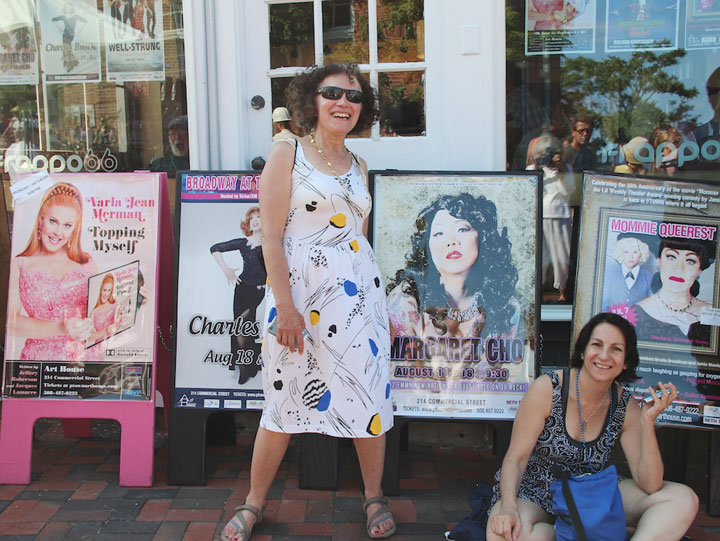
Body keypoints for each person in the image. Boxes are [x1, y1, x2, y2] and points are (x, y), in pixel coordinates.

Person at [220, 63, 395, 541]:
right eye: (332, 93)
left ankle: (373, 495)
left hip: (358, 300)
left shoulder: (358, 165)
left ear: (364, 109)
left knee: (367, 395)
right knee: (283, 398)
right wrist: (286, 307)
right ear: (312, 101)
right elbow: (271, 238)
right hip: (299, 300)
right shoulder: (288, 151)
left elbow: (357, 239)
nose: (343, 103)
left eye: (354, 97)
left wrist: (379, 308)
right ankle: (254, 501)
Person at [488, 312, 699, 541]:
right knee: (502, 532)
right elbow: (515, 459)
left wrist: (647, 423)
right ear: (582, 351)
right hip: (538, 490)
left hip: (594, 492)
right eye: (596, 345)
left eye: (616, 349)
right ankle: (584, 533)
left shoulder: (624, 405)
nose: (604, 356)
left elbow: (650, 484)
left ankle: (586, 532)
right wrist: (508, 507)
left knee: (683, 499)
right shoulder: (548, 389)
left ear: (626, 360)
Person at [386, 192, 521, 345]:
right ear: (427, 246)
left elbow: (498, 367)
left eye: (462, 229)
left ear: (483, 237)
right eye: (439, 233)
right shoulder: (407, 300)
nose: (451, 241)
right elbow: (395, 366)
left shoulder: (504, 304)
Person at [6, 182, 102, 362]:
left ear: (74, 229)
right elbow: (11, 323)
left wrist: (129, 303)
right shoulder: (20, 265)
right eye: (53, 221)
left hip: (86, 362)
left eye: (67, 225)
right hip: (39, 366)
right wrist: (62, 326)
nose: (58, 232)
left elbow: (95, 321)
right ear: (40, 220)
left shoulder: (87, 263)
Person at [210, 206, 266, 384]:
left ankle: (251, 364)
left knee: (249, 326)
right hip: (243, 289)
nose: (255, 220)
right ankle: (245, 367)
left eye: (259, 216)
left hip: (260, 291)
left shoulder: (270, 242)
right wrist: (226, 269)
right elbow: (215, 248)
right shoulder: (244, 242)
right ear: (248, 223)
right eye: (252, 218)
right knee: (241, 326)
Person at [631, 235, 715, 348]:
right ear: (659, 261)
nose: (678, 269)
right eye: (671, 257)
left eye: (690, 261)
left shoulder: (711, 313)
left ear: (699, 269)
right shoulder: (637, 312)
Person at [528, 134, 573, 302]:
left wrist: (559, 170)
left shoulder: (563, 169)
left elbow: (568, 190)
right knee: (540, 255)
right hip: (539, 215)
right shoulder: (534, 169)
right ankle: (538, 289)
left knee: (561, 254)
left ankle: (563, 290)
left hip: (559, 214)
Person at [602, 233, 654, 311]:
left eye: (635, 252)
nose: (631, 256)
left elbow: (652, 305)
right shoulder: (610, 274)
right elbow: (603, 302)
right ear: (620, 253)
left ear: (641, 254)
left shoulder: (648, 277)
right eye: (626, 252)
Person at [87, 273, 124, 345]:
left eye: (109, 290)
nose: (106, 294)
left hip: (115, 344)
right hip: (99, 349)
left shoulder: (115, 305)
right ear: (100, 290)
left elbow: (121, 326)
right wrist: (105, 331)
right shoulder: (93, 312)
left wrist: (120, 317)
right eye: (104, 290)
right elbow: (89, 337)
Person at [51, 3, 86, 71]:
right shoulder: (64, 16)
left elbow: (85, 21)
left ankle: (71, 64)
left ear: (71, 8)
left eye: (69, 7)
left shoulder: (75, 16)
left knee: (67, 49)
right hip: (65, 34)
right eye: (66, 7)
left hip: (71, 34)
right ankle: (67, 64)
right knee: (65, 49)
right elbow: (53, 19)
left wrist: (80, 30)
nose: (68, 9)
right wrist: (59, 28)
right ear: (65, 8)